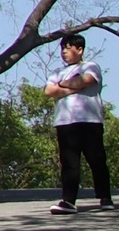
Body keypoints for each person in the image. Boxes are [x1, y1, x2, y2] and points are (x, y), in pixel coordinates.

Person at [45, 35, 112, 213]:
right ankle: (68, 201)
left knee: (97, 160)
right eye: (62, 49)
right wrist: (73, 86)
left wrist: (62, 86)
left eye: (68, 48)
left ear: (80, 49)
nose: (64, 52)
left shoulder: (90, 66)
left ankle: (105, 197)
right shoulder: (57, 72)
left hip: (90, 120)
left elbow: (86, 80)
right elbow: (49, 91)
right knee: (69, 163)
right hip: (65, 121)